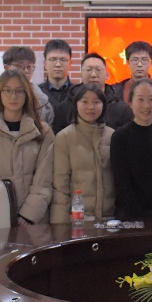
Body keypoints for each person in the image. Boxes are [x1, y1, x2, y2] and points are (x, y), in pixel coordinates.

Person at [0, 69, 54, 225]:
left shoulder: (43, 132)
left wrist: (28, 214)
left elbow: (44, 179)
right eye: (7, 90)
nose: (13, 96)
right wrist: (4, 211)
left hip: (35, 219)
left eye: (19, 91)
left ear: (27, 94)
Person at [111, 78, 152, 221]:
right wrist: (137, 212)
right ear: (130, 103)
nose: (146, 105)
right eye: (140, 99)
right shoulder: (120, 136)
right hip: (129, 213)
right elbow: (121, 180)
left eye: (151, 99)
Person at [52, 83, 115, 224]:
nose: (90, 107)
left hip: (109, 219)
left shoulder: (113, 136)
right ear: (76, 104)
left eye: (96, 102)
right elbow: (60, 184)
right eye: (85, 102)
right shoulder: (64, 137)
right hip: (77, 220)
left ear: (103, 105)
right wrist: (60, 224)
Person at [0, 46, 55, 129]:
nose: (25, 71)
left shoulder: (43, 103)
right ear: (6, 68)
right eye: (19, 66)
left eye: (29, 67)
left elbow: (47, 133)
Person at [52, 52, 133, 132]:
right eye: (88, 70)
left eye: (98, 70)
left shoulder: (121, 109)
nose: (93, 75)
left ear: (107, 75)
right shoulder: (66, 106)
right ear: (81, 74)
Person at [39, 39, 74, 132]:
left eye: (63, 60)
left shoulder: (79, 93)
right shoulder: (36, 93)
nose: (58, 64)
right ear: (45, 64)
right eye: (53, 59)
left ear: (70, 63)